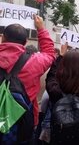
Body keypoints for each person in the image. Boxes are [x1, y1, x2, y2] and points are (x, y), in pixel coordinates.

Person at [0, 15, 55, 143]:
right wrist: (41, 29)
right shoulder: (35, 61)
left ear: (3, 38)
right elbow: (49, 53)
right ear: (25, 42)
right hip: (21, 124)